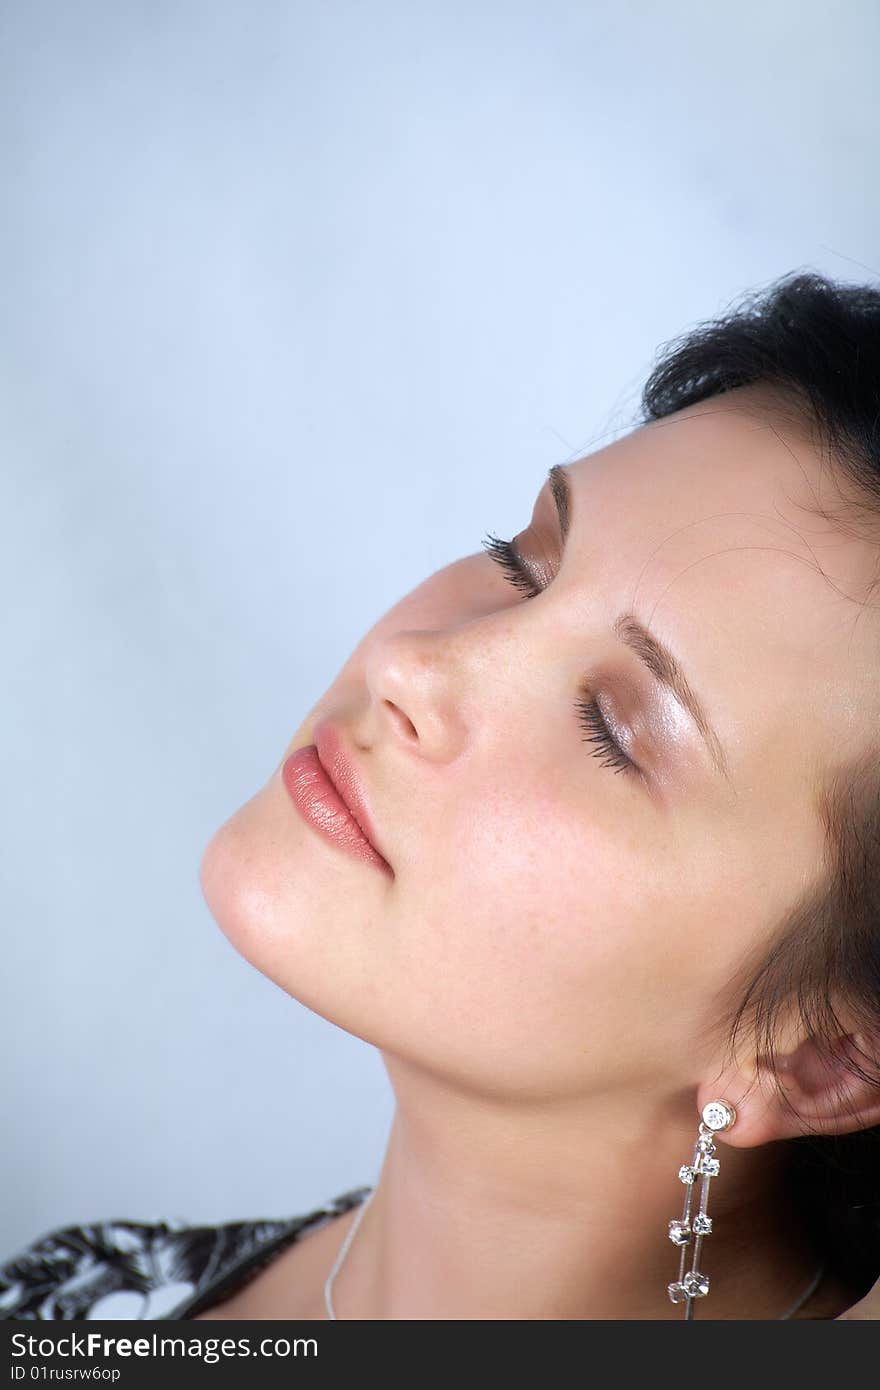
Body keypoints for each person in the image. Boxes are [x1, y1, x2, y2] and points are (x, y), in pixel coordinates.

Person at [4, 270, 880, 1321]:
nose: (417, 666)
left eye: (613, 729)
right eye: (522, 565)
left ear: (821, 1056)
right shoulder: (70, 1308)